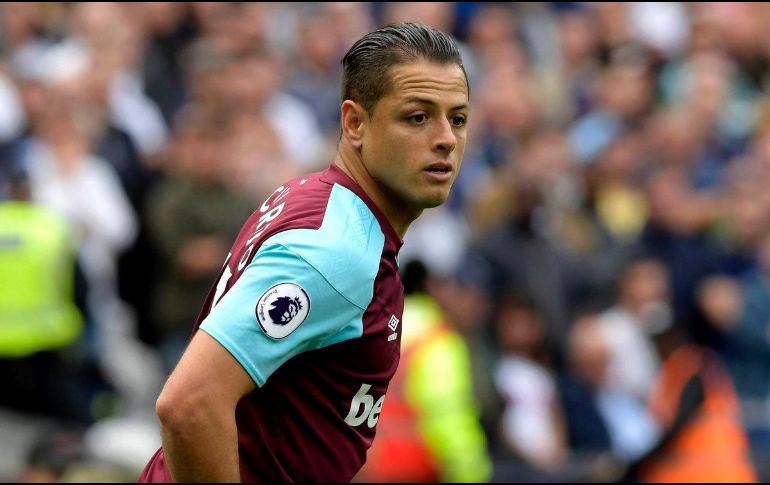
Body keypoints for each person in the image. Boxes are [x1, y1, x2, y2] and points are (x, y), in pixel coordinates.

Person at [139, 22, 470, 483]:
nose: (446, 139)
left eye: (458, 119)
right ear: (354, 123)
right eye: (417, 117)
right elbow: (188, 403)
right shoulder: (336, 250)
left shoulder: (315, 200)